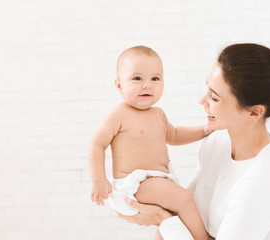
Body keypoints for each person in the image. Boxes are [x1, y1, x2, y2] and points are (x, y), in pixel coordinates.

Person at [118, 43, 270, 240]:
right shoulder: (218, 140)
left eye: (214, 98)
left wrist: (162, 218)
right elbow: (187, 210)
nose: (202, 101)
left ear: (254, 112)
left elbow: (178, 220)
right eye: (207, 89)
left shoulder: (258, 184)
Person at [88, 45, 212, 240]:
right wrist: (98, 180)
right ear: (119, 85)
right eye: (137, 78)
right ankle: (205, 239)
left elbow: (175, 135)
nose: (147, 85)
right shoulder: (119, 114)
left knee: (173, 222)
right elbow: (96, 145)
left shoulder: (158, 114)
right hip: (134, 184)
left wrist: (203, 130)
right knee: (185, 200)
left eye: (155, 78)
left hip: (156, 180)